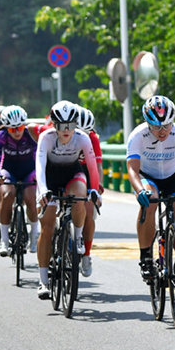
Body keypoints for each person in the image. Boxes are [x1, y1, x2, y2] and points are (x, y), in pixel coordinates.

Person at [127, 95, 175, 287]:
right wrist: (139, 190)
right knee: (150, 200)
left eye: (167, 125)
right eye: (156, 127)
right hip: (147, 177)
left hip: (174, 177)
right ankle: (145, 257)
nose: (162, 131)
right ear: (147, 123)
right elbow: (132, 170)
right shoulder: (138, 135)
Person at [34, 102, 100, 300]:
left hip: (73, 173)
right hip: (50, 176)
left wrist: (95, 190)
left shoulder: (83, 138)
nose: (66, 131)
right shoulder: (46, 138)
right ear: (53, 124)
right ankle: (43, 281)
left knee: (80, 195)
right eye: (61, 126)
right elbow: (39, 166)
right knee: (47, 227)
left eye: (70, 126)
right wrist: (43, 191)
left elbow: (92, 168)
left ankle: (78, 237)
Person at [0, 106, 39, 257]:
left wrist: (39, 174)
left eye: (20, 127)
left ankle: (34, 235)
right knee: (6, 195)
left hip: (30, 170)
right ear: (6, 128)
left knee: (30, 197)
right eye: (12, 129)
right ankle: (4, 240)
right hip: (9, 170)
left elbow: (40, 157)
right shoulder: (1, 135)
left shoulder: (30, 134)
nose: (17, 132)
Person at [76, 106, 103, 278]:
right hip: (67, 169)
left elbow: (98, 165)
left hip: (87, 170)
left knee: (89, 210)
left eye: (88, 133)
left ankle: (86, 254)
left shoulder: (93, 138)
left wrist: (98, 185)